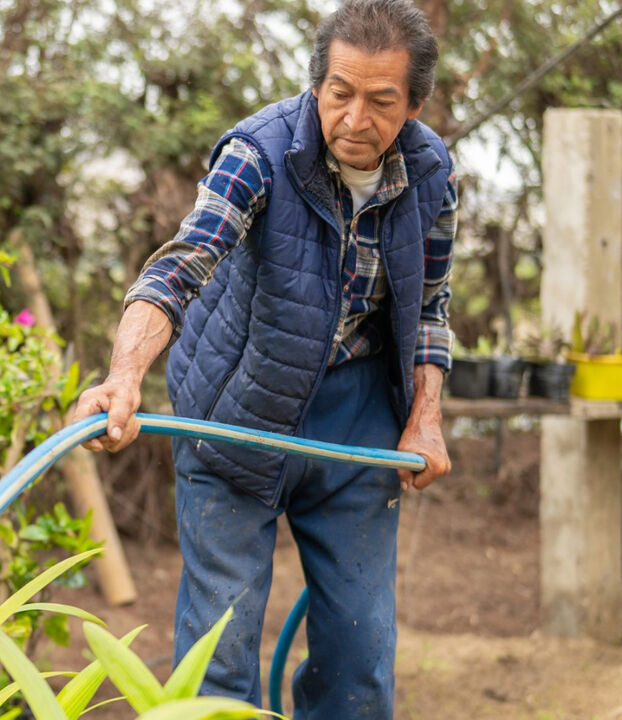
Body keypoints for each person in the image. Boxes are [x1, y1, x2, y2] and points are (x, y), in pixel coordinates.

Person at [69, 0, 456, 717]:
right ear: (317, 86)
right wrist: (124, 377)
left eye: (381, 102)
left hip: (356, 424)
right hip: (233, 412)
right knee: (219, 659)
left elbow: (431, 307)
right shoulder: (258, 152)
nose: (353, 119)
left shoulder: (432, 173)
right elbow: (178, 269)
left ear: (415, 104)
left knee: (361, 656)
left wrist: (424, 419)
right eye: (340, 94)